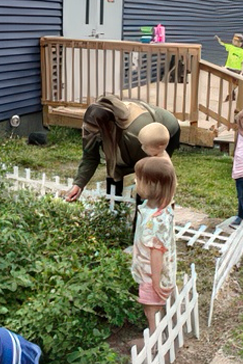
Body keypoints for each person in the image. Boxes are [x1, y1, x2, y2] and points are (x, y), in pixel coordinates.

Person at [64, 96, 180, 232]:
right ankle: (114, 218)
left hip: (163, 129)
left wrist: (141, 188)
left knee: (149, 180)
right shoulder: (94, 123)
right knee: (115, 168)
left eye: (96, 133)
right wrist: (79, 184)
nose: (92, 134)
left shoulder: (136, 134)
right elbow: (90, 156)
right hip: (131, 135)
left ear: (108, 127)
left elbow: (146, 168)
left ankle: (141, 230)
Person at [131, 156, 178, 333]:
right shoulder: (156, 208)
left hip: (151, 275)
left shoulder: (154, 220)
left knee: (151, 309)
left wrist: (156, 283)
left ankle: (155, 343)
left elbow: (156, 253)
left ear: (152, 185)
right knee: (154, 308)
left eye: (139, 179)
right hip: (151, 272)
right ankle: (159, 335)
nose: (135, 181)